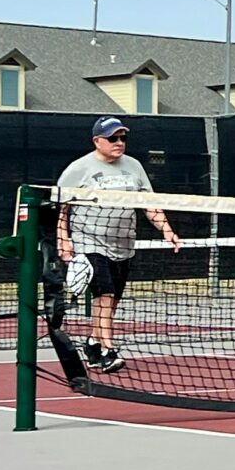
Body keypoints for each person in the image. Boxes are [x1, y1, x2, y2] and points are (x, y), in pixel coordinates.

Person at [55, 115, 180, 374]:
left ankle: (92, 342)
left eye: (123, 137)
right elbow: (61, 208)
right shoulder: (79, 168)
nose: (119, 142)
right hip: (89, 242)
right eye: (113, 138)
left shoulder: (134, 166)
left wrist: (167, 230)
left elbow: (149, 203)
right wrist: (63, 239)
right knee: (105, 294)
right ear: (97, 141)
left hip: (123, 244)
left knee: (111, 302)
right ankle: (107, 350)